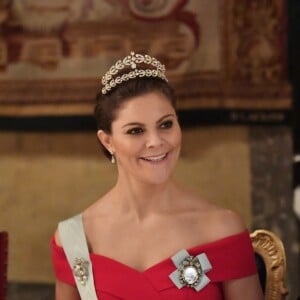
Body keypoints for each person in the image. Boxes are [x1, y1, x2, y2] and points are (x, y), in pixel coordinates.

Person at [51, 52, 264, 300]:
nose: (155, 142)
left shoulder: (221, 228)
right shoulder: (75, 238)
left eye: (166, 124)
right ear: (107, 141)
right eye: (135, 131)